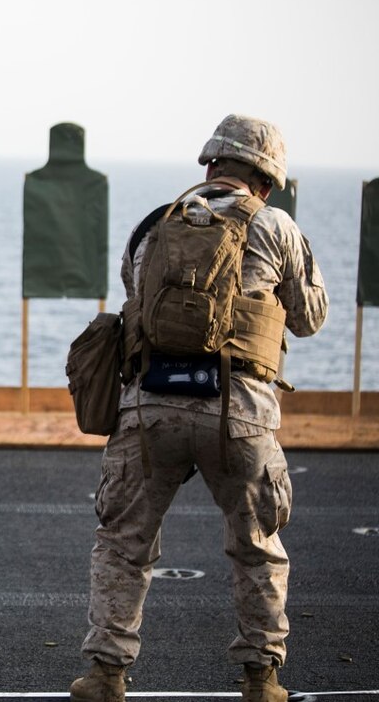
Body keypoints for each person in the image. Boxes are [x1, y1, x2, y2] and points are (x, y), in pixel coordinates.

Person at [69, 115, 328, 702]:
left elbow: (135, 300)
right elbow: (310, 319)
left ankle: (105, 674)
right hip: (238, 410)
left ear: (210, 165)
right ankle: (261, 677)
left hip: (148, 407)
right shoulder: (275, 226)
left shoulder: (153, 225)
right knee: (256, 544)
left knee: (123, 544)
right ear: (265, 179)